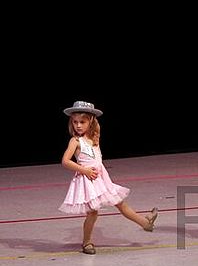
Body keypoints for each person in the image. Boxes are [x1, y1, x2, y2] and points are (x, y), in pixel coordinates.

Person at [58, 101, 159, 255]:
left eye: (82, 122)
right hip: (89, 180)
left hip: (102, 179)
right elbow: (65, 161)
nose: (78, 125)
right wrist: (84, 170)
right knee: (93, 212)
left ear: (90, 121)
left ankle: (146, 223)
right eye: (75, 122)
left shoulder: (94, 138)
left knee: (120, 203)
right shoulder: (75, 141)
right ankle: (87, 243)